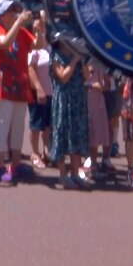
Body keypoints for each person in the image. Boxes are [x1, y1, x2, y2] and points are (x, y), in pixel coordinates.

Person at [0, 0, 34, 183]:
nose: (13, 14)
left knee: (18, 125)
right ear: (0, 14)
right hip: (3, 83)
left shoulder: (21, 31)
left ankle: (15, 163)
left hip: (21, 83)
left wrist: (40, 27)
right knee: (3, 124)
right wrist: (19, 24)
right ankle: (0, 163)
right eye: (9, 11)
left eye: (14, 11)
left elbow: (37, 45)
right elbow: (5, 43)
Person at [48, 39, 88, 189]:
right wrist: (73, 61)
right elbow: (63, 77)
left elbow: (87, 76)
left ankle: (75, 174)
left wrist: (82, 61)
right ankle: (63, 175)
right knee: (62, 135)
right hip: (63, 99)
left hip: (78, 98)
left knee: (76, 135)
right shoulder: (56, 55)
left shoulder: (78, 55)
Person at [26, 15, 54, 171]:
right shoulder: (33, 48)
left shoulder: (49, 47)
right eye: (37, 28)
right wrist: (38, 88)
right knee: (36, 124)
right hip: (39, 92)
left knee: (48, 125)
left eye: (42, 27)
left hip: (52, 92)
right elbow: (30, 69)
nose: (40, 31)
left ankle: (47, 150)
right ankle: (35, 153)